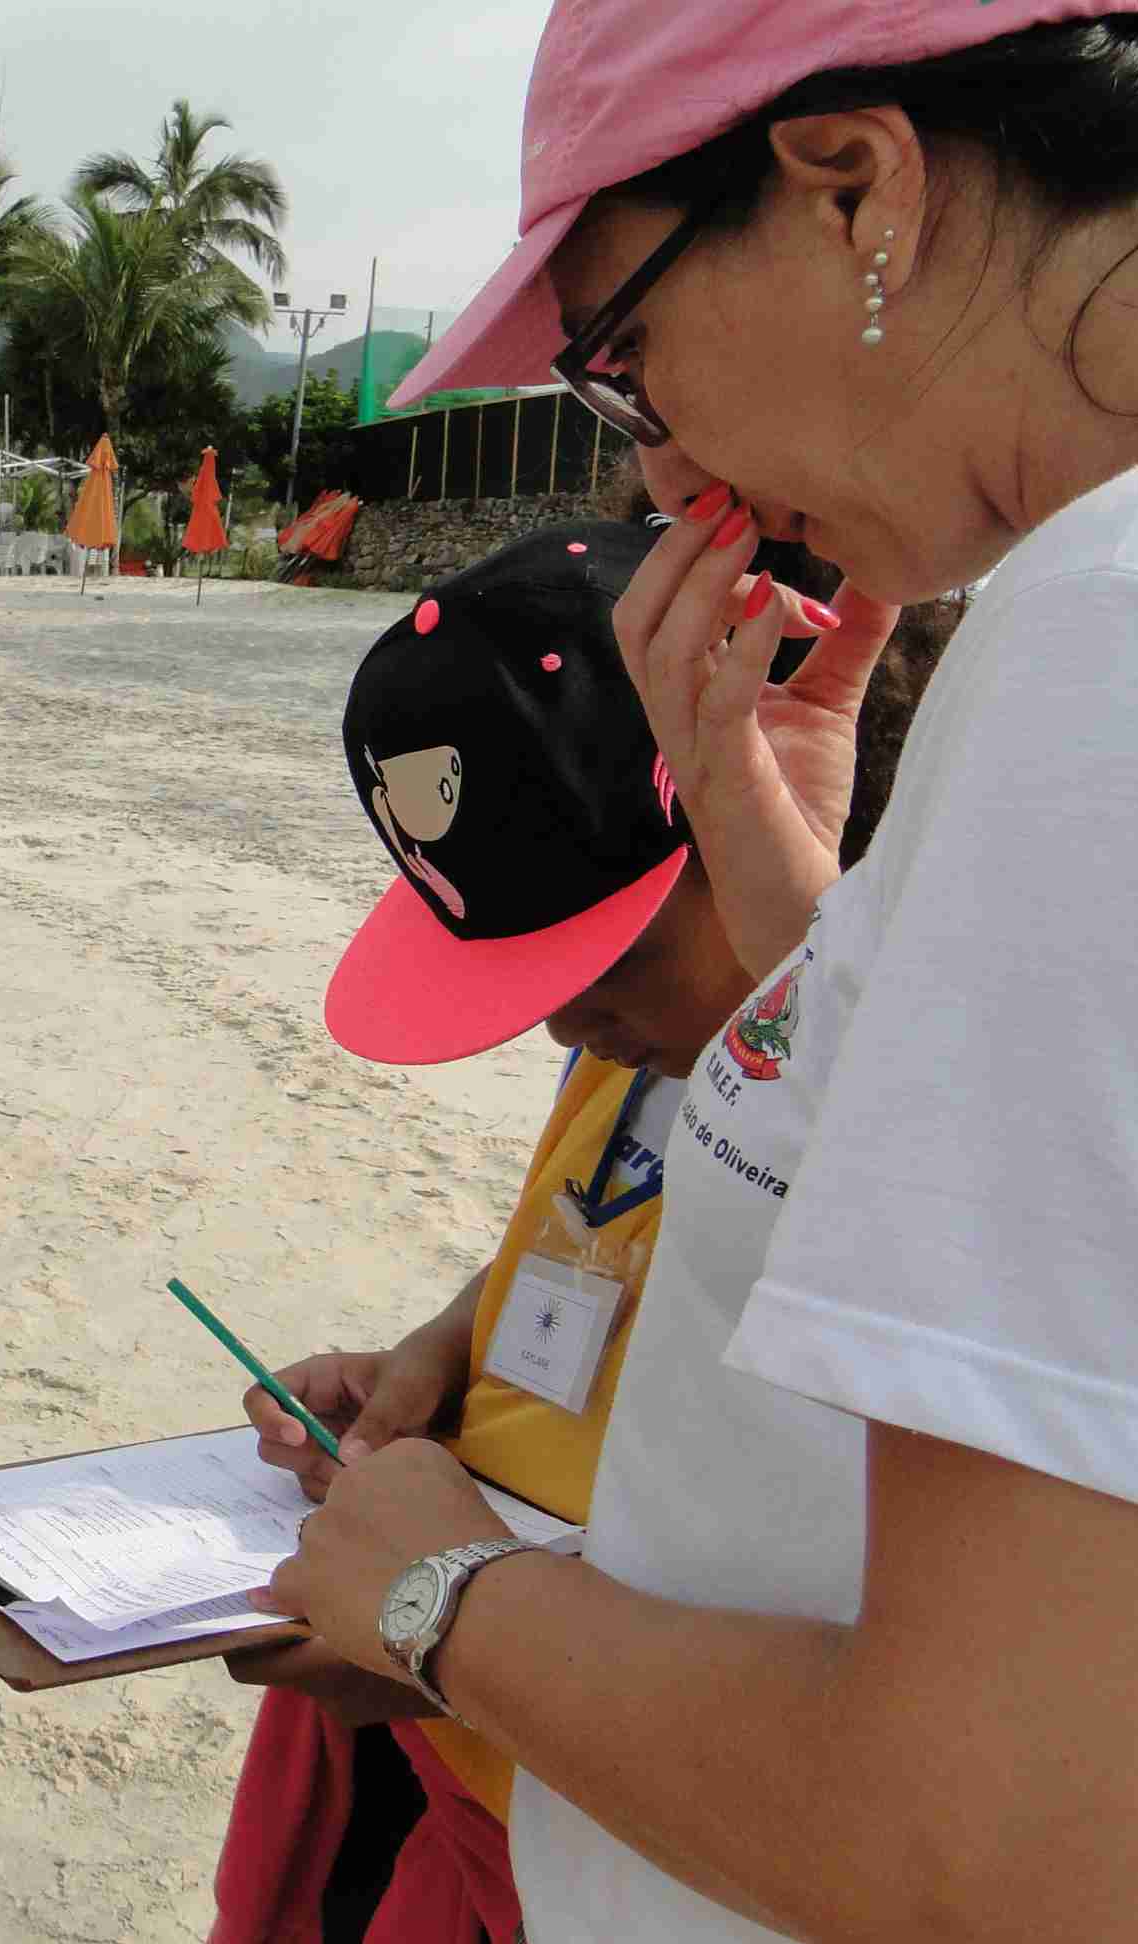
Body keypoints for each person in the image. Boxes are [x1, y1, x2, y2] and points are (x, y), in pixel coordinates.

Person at [261, 9, 1138, 1941]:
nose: (667, 466)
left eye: (618, 367)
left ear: (855, 188)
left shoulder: (1126, 620)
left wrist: (446, 1596)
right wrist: (812, 917)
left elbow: (1027, 1855)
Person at [208, 519, 953, 1944]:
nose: (564, 1018)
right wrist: (442, 1347)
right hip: (473, 1790)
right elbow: (607, 1234)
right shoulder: (645, 1048)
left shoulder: (908, 1137)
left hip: (632, 1825)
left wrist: (445, 1629)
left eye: (602, 960)